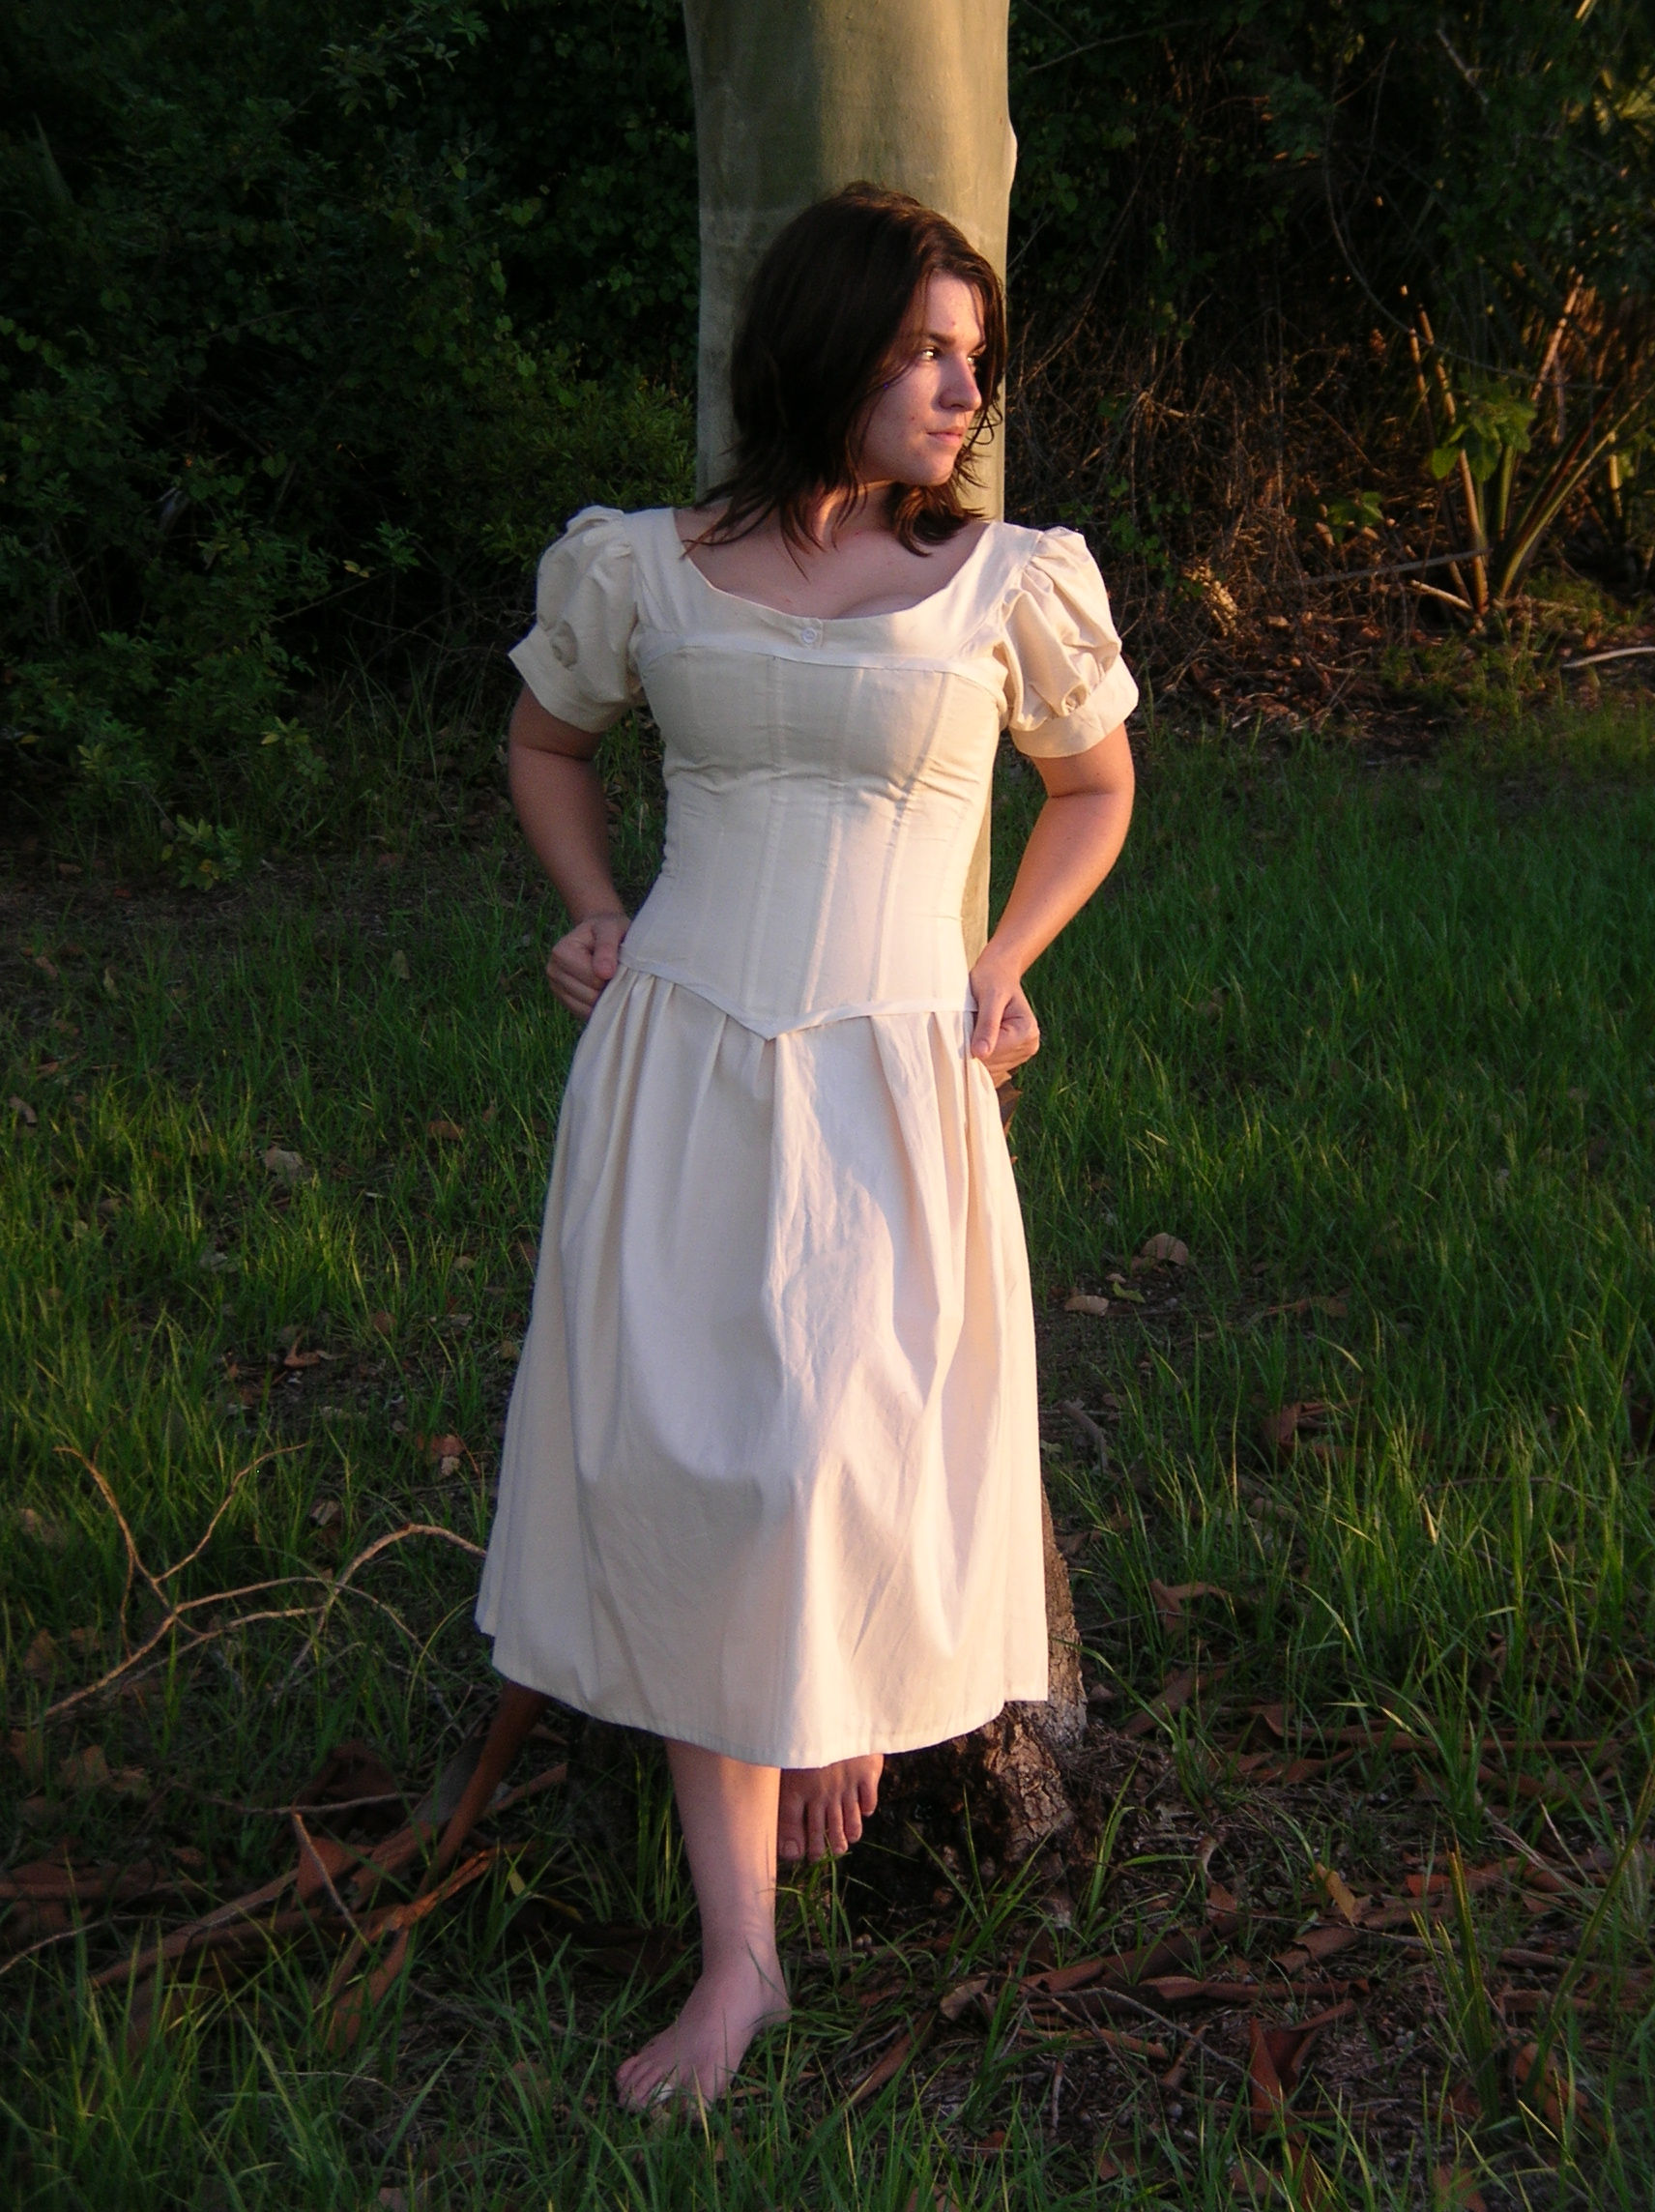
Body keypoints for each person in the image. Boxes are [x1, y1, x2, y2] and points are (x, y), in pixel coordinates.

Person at [476, 184, 1137, 2110]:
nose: (964, 391)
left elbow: (1093, 785)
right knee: (696, 1453)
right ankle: (740, 1955)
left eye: (974, 359)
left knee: (843, 1436)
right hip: (681, 1053)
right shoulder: (646, 568)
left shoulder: (1009, 581)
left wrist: (1005, 961)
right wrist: (592, 910)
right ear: (826, 345)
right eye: (927, 351)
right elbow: (543, 742)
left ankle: (831, 1693)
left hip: (895, 1071)